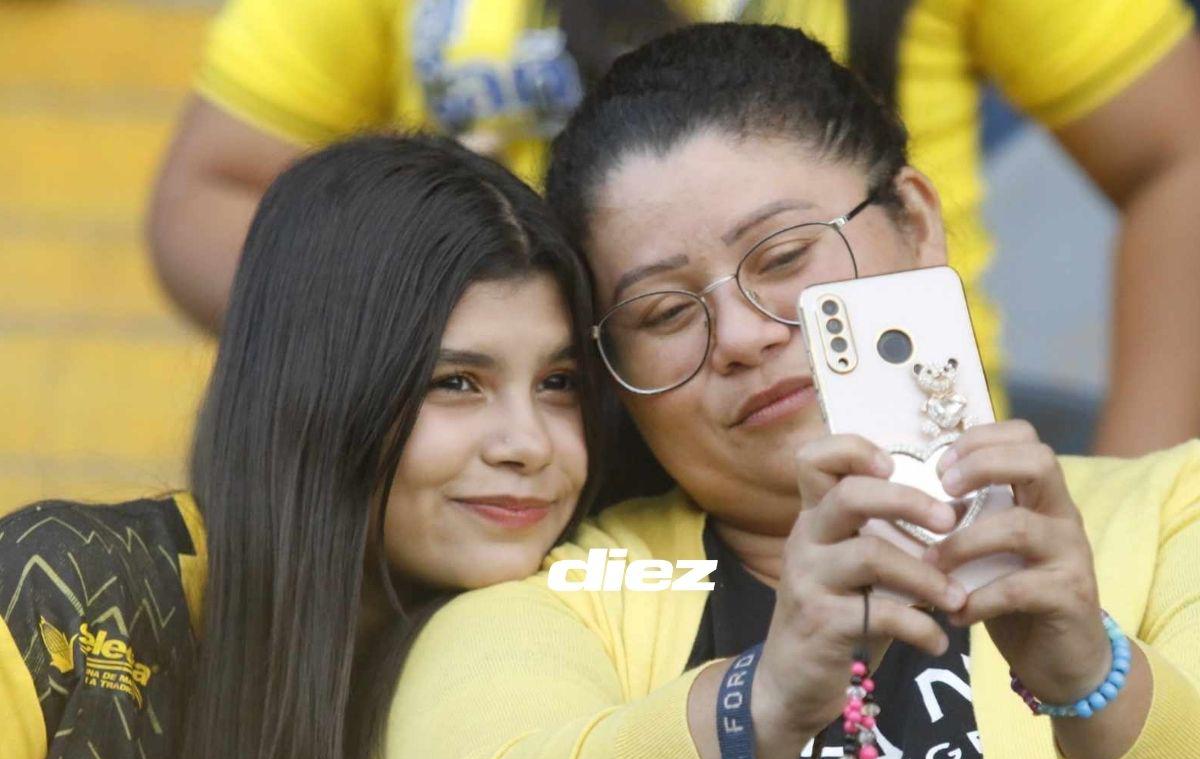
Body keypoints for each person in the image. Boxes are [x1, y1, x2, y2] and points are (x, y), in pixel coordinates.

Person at [370, 25, 1200, 759]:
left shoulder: (1173, 507)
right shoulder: (570, 595)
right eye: (662, 314)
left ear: (916, 223)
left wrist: (1091, 680)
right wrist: (761, 704)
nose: (740, 335)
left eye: (784, 255)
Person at [145, 0, 1200, 457]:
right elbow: (211, 192)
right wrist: (461, 358)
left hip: (911, 453)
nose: (740, 326)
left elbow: (1176, 153)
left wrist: (1114, 503)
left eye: (782, 252)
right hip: (547, 486)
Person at [0, 133, 601, 759]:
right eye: (455, 383)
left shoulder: (582, 641)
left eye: (558, 382)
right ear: (318, 392)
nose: (530, 444)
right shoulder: (60, 594)